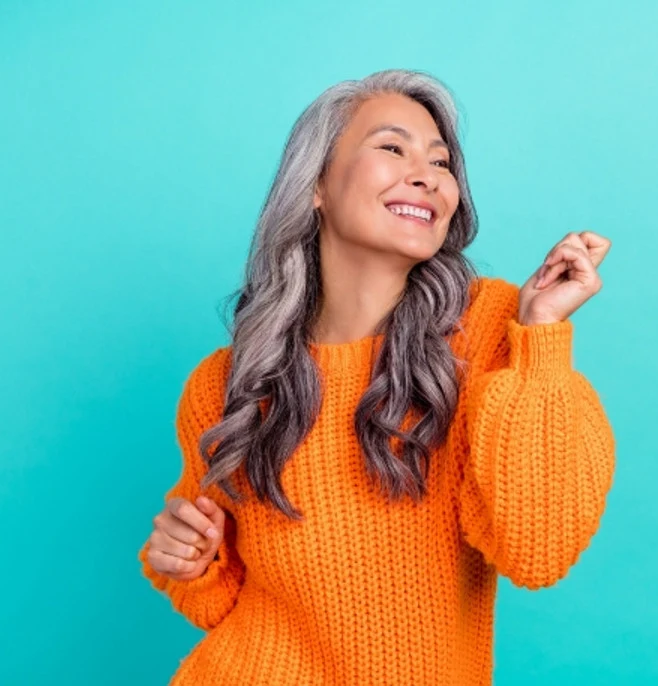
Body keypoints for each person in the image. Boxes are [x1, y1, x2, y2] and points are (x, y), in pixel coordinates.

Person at [137, 67, 616, 685]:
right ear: (315, 184)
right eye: (392, 148)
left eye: (441, 163)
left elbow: (537, 549)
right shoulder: (229, 381)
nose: (427, 175)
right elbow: (220, 600)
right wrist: (190, 560)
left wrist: (542, 339)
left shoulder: (494, 328)